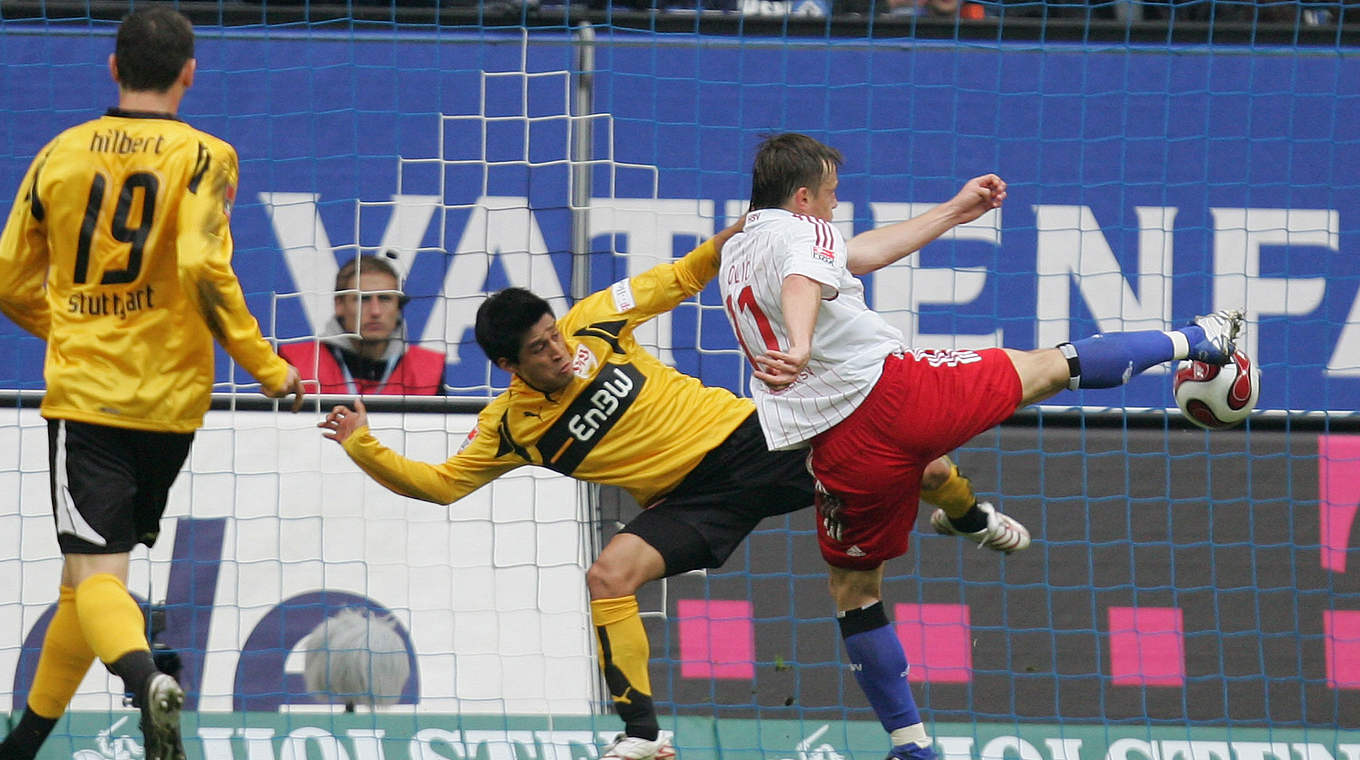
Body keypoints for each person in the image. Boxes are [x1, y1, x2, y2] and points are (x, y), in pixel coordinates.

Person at [317, 222, 1028, 760]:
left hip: (756, 439)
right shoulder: (509, 428)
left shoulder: (595, 319)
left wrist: (753, 226)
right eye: (537, 350)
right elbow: (439, 486)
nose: (557, 350)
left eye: (551, 334)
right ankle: (643, 735)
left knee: (926, 469)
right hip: (692, 503)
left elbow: (687, 272)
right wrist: (362, 444)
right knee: (608, 574)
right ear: (508, 365)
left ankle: (970, 518)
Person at [719, 132, 1244, 760]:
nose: (836, 205)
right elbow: (809, 273)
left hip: (836, 448)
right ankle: (1200, 338)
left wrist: (952, 212)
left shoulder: (741, 249)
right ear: (803, 196)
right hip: (895, 395)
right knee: (1051, 366)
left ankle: (911, 744)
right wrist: (802, 343)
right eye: (831, 194)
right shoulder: (802, 234)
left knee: (855, 592)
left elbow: (850, 258)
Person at [0, 8, 305, 760]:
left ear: (113, 67)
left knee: (96, 574)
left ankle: (146, 681)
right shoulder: (208, 156)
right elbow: (205, 266)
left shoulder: (59, 155)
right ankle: (24, 745)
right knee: (86, 584)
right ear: (189, 73)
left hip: (90, 395)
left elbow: (10, 279)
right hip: (171, 403)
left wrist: (71, 329)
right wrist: (266, 365)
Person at [280, 252, 446, 395]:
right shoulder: (295, 362)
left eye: (385, 298)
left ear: (398, 306)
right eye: (363, 299)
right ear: (339, 305)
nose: (375, 311)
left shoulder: (429, 370)